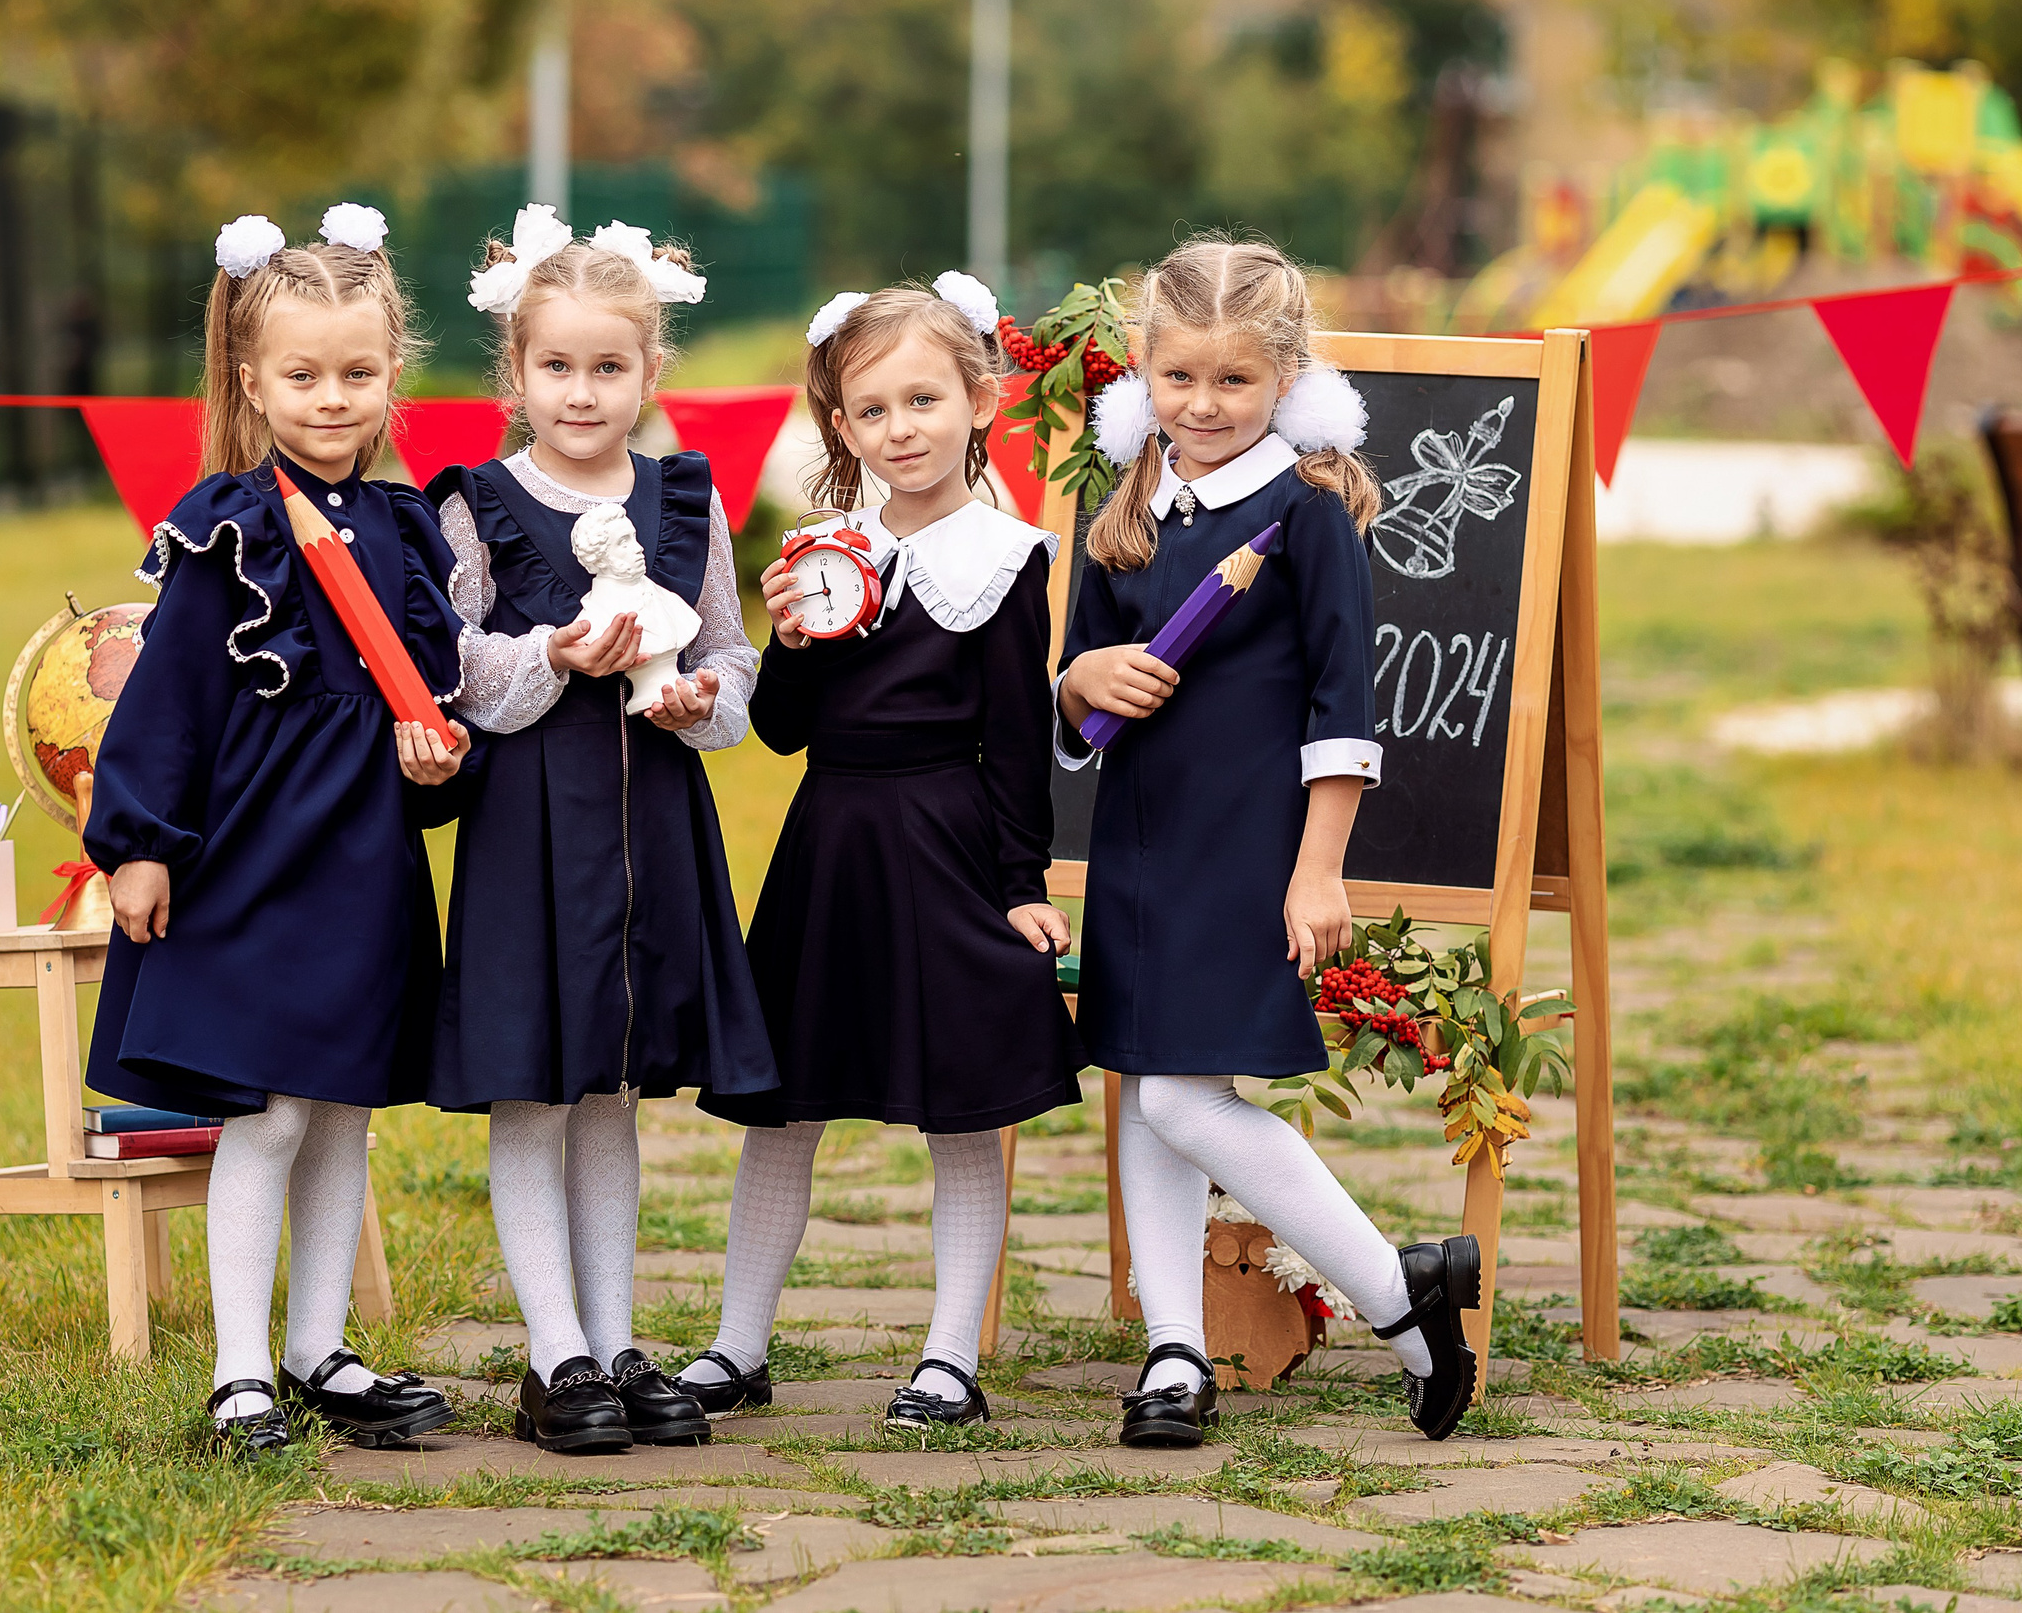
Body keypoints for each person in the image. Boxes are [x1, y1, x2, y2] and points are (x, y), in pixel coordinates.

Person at [1057, 235, 1479, 1446]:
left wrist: (1317, 867)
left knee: (1189, 1101)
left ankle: (1399, 1292)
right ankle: (1174, 1353)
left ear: (1284, 377)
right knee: (1146, 1088)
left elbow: (1345, 709)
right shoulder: (1121, 504)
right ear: (1145, 365)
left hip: (1250, 846)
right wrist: (1081, 677)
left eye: (1233, 383)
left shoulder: (1306, 517)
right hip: (1138, 842)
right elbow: (1072, 695)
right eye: (1179, 378)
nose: (1202, 406)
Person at [83, 206, 472, 1455]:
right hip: (248, 862)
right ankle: (240, 1374)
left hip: (361, 866)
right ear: (252, 380)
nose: (330, 398)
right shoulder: (227, 525)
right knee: (267, 1114)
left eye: (357, 374)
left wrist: (434, 762)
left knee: (342, 1107)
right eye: (301, 376)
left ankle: (321, 1349)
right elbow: (169, 698)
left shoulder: (411, 529)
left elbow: (433, 709)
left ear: (392, 376)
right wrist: (137, 840)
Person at [678, 277, 1086, 1431]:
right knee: (782, 1106)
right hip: (831, 847)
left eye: (923, 398)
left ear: (978, 402)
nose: (901, 426)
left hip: (949, 848)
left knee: (961, 1105)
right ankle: (735, 1345)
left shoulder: (1008, 562)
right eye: (873, 408)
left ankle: (950, 1357)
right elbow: (782, 731)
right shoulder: (823, 554)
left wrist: (1021, 887)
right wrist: (790, 640)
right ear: (841, 427)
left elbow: (1017, 740)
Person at [426, 206, 779, 1453]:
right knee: (535, 1085)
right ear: (515, 374)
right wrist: (550, 654)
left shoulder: (688, 502)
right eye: (557, 366)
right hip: (533, 832)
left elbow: (730, 650)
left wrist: (700, 700)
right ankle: (552, 1353)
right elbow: (450, 664)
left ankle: (620, 1340)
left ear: (650, 371)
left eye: (608, 366)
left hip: (654, 831)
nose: (582, 392)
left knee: (614, 1091)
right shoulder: (474, 505)